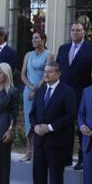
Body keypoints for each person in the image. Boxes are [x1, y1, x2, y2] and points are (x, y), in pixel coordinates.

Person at [24, 61, 77, 184]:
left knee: (55, 175)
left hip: (57, 140)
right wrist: (35, 127)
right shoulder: (41, 91)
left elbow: (70, 115)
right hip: (40, 140)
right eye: (45, 72)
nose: (45, 75)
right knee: (38, 173)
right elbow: (32, 113)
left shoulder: (67, 91)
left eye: (50, 72)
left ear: (58, 74)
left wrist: (50, 127)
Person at [56, 20, 92, 169]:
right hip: (63, 95)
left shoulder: (91, 49)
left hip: (83, 93)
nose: (75, 32)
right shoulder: (63, 48)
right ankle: (65, 157)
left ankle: (82, 158)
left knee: (82, 128)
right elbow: (58, 71)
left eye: (78, 30)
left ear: (84, 32)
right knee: (64, 126)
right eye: (73, 30)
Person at [20, 31, 53, 160]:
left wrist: (37, 88)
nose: (34, 40)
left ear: (43, 40)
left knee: (40, 119)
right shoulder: (28, 55)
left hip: (42, 90)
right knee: (28, 120)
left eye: (37, 38)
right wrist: (30, 87)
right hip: (28, 90)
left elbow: (47, 74)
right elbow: (23, 74)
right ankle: (29, 150)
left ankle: (40, 151)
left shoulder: (49, 54)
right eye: (33, 38)